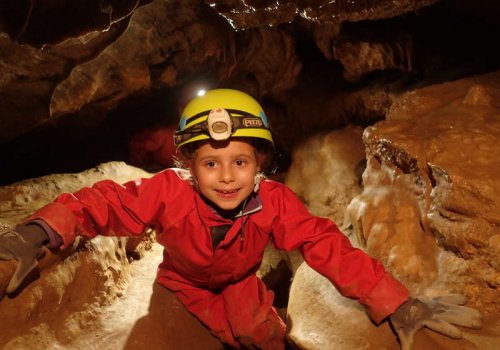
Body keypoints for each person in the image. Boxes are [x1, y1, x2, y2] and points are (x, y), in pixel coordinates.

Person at [0, 89, 482, 349]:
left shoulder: (271, 201)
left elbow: (325, 244)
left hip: (238, 282)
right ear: (188, 166)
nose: (226, 177)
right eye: (211, 163)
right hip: (182, 282)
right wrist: (39, 231)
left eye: (241, 162)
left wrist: (396, 302)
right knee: (219, 333)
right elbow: (103, 203)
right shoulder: (167, 191)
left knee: (259, 333)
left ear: (260, 166)